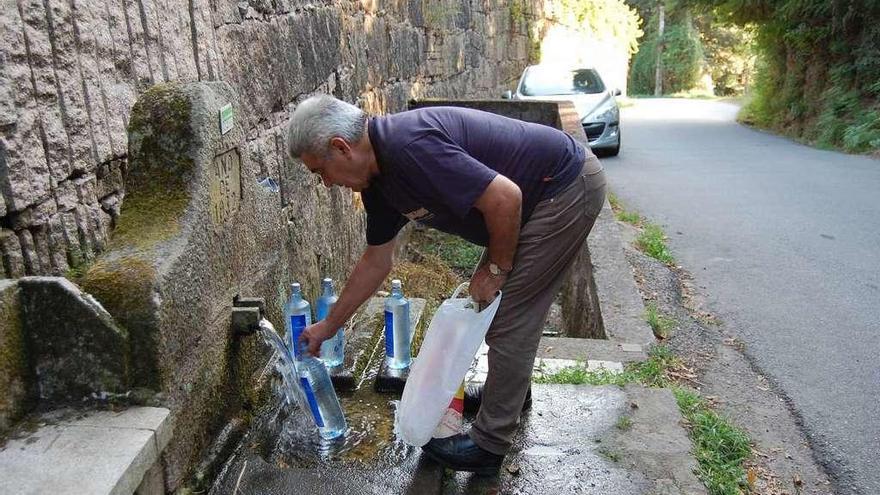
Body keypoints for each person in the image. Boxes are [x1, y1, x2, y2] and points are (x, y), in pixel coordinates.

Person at [288, 94, 606, 475]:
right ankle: (507, 396)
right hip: (534, 196)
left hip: (562, 187)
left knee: (508, 318)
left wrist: (497, 268)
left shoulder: (410, 149)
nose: (325, 184)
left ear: (341, 147)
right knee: (495, 308)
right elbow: (376, 261)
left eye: (319, 171)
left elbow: (506, 198)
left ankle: (489, 446)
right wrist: (328, 326)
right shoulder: (378, 183)